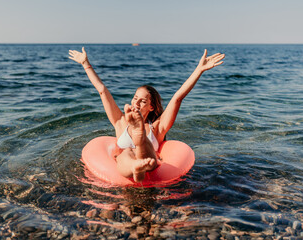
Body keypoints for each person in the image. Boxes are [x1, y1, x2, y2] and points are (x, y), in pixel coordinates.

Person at [69, 47, 225, 182]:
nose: (136, 103)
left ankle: (140, 141)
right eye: (135, 98)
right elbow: (102, 91)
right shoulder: (121, 122)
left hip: (150, 161)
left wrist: (199, 70)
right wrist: (85, 64)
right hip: (130, 161)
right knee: (126, 154)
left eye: (142, 101)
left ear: (151, 107)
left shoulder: (157, 127)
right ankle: (136, 164)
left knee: (148, 155)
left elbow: (177, 98)